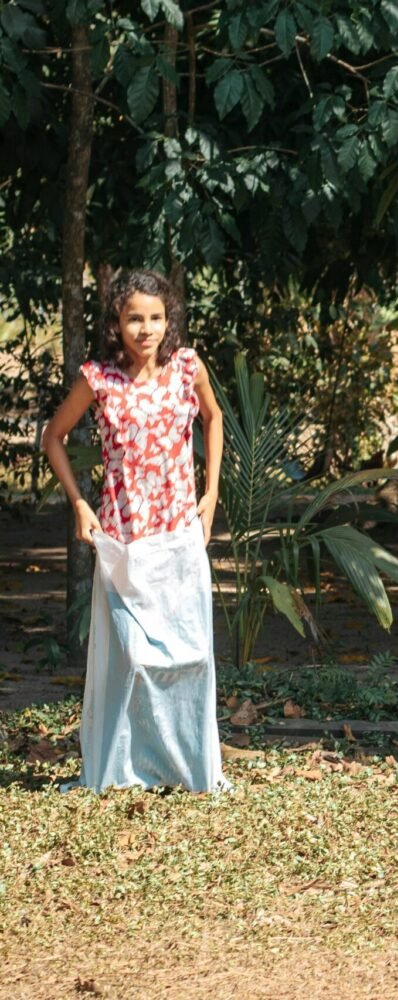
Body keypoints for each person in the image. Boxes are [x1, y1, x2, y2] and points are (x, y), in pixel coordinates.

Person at [41, 268, 228, 793]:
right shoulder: (98, 379)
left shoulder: (188, 368)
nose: (146, 329)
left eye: (155, 317)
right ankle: (123, 767)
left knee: (189, 657)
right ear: (117, 323)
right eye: (134, 318)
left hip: (180, 534)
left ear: (169, 321)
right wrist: (79, 504)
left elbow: (213, 420)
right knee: (131, 657)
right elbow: (53, 437)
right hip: (124, 538)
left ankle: (187, 769)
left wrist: (211, 493)